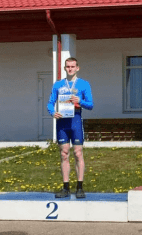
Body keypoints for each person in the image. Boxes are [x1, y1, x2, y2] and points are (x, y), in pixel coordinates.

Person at [47, 58, 94, 198]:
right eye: (68, 66)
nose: (70, 69)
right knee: (64, 153)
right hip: (62, 121)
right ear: (64, 68)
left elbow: (91, 105)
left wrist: (80, 101)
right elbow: (50, 103)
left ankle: (79, 187)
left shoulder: (84, 84)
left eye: (73, 66)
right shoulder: (58, 85)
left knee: (78, 153)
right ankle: (65, 187)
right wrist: (52, 112)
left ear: (77, 68)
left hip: (76, 121)